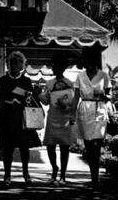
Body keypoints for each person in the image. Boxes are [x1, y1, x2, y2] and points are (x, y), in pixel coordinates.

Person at [0, 51, 40, 187]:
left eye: (17, 63)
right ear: (8, 64)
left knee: (24, 147)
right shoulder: (3, 80)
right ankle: (7, 175)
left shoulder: (26, 81)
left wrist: (25, 97)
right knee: (7, 148)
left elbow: (29, 99)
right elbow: (0, 101)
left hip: (22, 118)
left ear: (22, 65)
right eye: (11, 63)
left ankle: (26, 173)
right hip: (7, 117)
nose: (14, 66)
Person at [38, 55, 78, 185]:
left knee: (64, 147)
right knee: (50, 146)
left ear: (63, 68)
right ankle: (54, 169)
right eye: (54, 66)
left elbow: (73, 102)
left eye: (58, 66)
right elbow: (45, 101)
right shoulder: (49, 83)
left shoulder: (70, 83)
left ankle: (63, 176)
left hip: (65, 118)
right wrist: (38, 94)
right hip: (52, 117)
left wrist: (66, 106)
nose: (55, 69)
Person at [76, 46, 111, 186]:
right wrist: (72, 115)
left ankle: (95, 178)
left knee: (97, 144)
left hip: (99, 110)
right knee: (89, 145)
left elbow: (109, 95)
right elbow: (75, 98)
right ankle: (93, 175)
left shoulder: (104, 76)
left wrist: (103, 95)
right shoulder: (80, 76)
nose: (89, 66)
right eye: (87, 63)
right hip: (85, 109)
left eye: (92, 63)